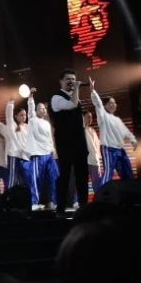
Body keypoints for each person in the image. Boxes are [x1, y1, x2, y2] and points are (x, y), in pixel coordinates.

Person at [49, 69, 90, 214]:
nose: (72, 81)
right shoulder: (56, 97)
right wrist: (77, 88)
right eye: (68, 79)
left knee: (82, 176)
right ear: (61, 81)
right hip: (65, 143)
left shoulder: (75, 97)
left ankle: (84, 207)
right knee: (65, 175)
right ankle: (60, 209)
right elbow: (71, 105)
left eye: (73, 79)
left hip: (79, 143)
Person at [89, 78, 138, 183]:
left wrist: (133, 140)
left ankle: (131, 190)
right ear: (105, 105)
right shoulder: (102, 115)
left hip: (120, 149)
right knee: (108, 174)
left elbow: (125, 130)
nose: (113, 104)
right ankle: (103, 192)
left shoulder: (116, 119)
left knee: (128, 173)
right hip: (108, 149)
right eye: (110, 103)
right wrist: (93, 91)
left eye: (114, 103)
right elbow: (98, 104)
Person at [0, 99, 33, 204]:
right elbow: (8, 116)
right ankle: (9, 201)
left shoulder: (27, 127)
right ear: (16, 116)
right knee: (12, 180)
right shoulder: (12, 125)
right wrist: (10, 104)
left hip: (25, 157)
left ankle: (29, 201)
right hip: (14, 156)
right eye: (21, 115)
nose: (24, 117)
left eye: (25, 115)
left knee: (28, 179)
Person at [26, 93, 59, 210]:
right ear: (36, 111)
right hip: (37, 154)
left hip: (48, 154)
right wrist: (31, 98)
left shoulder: (46, 123)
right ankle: (34, 202)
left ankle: (52, 201)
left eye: (44, 108)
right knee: (36, 179)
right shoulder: (33, 120)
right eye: (40, 108)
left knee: (54, 176)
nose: (43, 110)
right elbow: (30, 110)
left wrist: (53, 150)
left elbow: (49, 139)